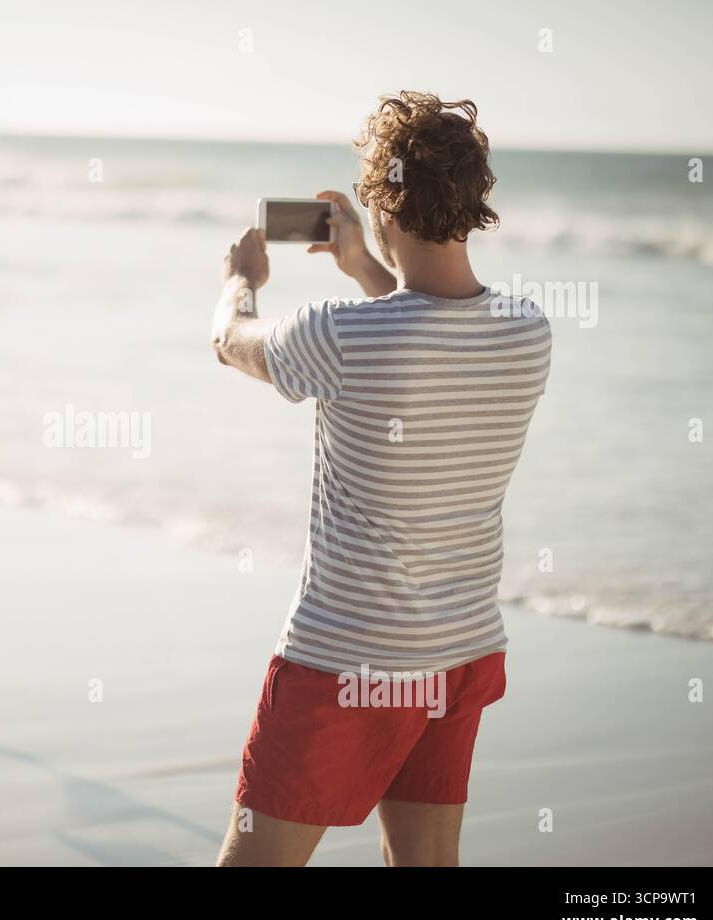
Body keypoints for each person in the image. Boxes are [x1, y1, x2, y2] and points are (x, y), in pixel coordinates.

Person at [211, 92, 551, 866]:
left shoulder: (339, 333)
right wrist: (368, 263)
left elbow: (229, 342)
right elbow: (419, 342)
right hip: (458, 653)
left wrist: (240, 277)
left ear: (380, 201)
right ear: (475, 201)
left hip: (346, 660)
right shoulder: (527, 332)